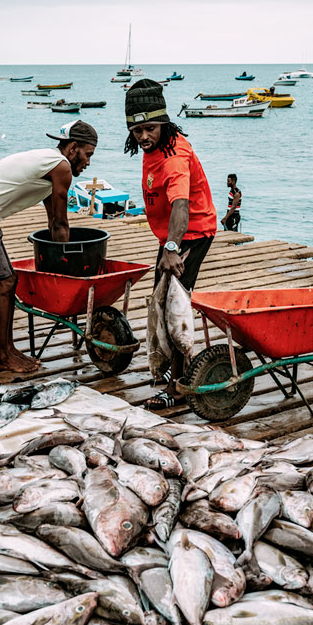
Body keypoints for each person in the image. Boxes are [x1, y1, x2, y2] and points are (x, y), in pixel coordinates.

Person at [0, 120, 98, 373]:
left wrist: (60, 254)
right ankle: (3, 356)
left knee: (7, 281)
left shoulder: (49, 162)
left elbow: (53, 220)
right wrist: (67, 268)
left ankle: (8, 349)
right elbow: (61, 224)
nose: (89, 162)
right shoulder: (61, 168)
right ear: (73, 149)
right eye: (88, 154)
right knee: (5, 283)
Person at [124, 78, 217, 409]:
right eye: (137, 132)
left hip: (190, 234)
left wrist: (173, 249)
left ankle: (178, 389)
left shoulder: (175, 155)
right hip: (171, 237)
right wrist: (167, 243)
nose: (144, 137)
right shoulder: (153, 147)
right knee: (159, 302)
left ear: (163, 122)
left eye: (150, 129)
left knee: (175, 308)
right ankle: (169, 367)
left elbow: (181, 205)